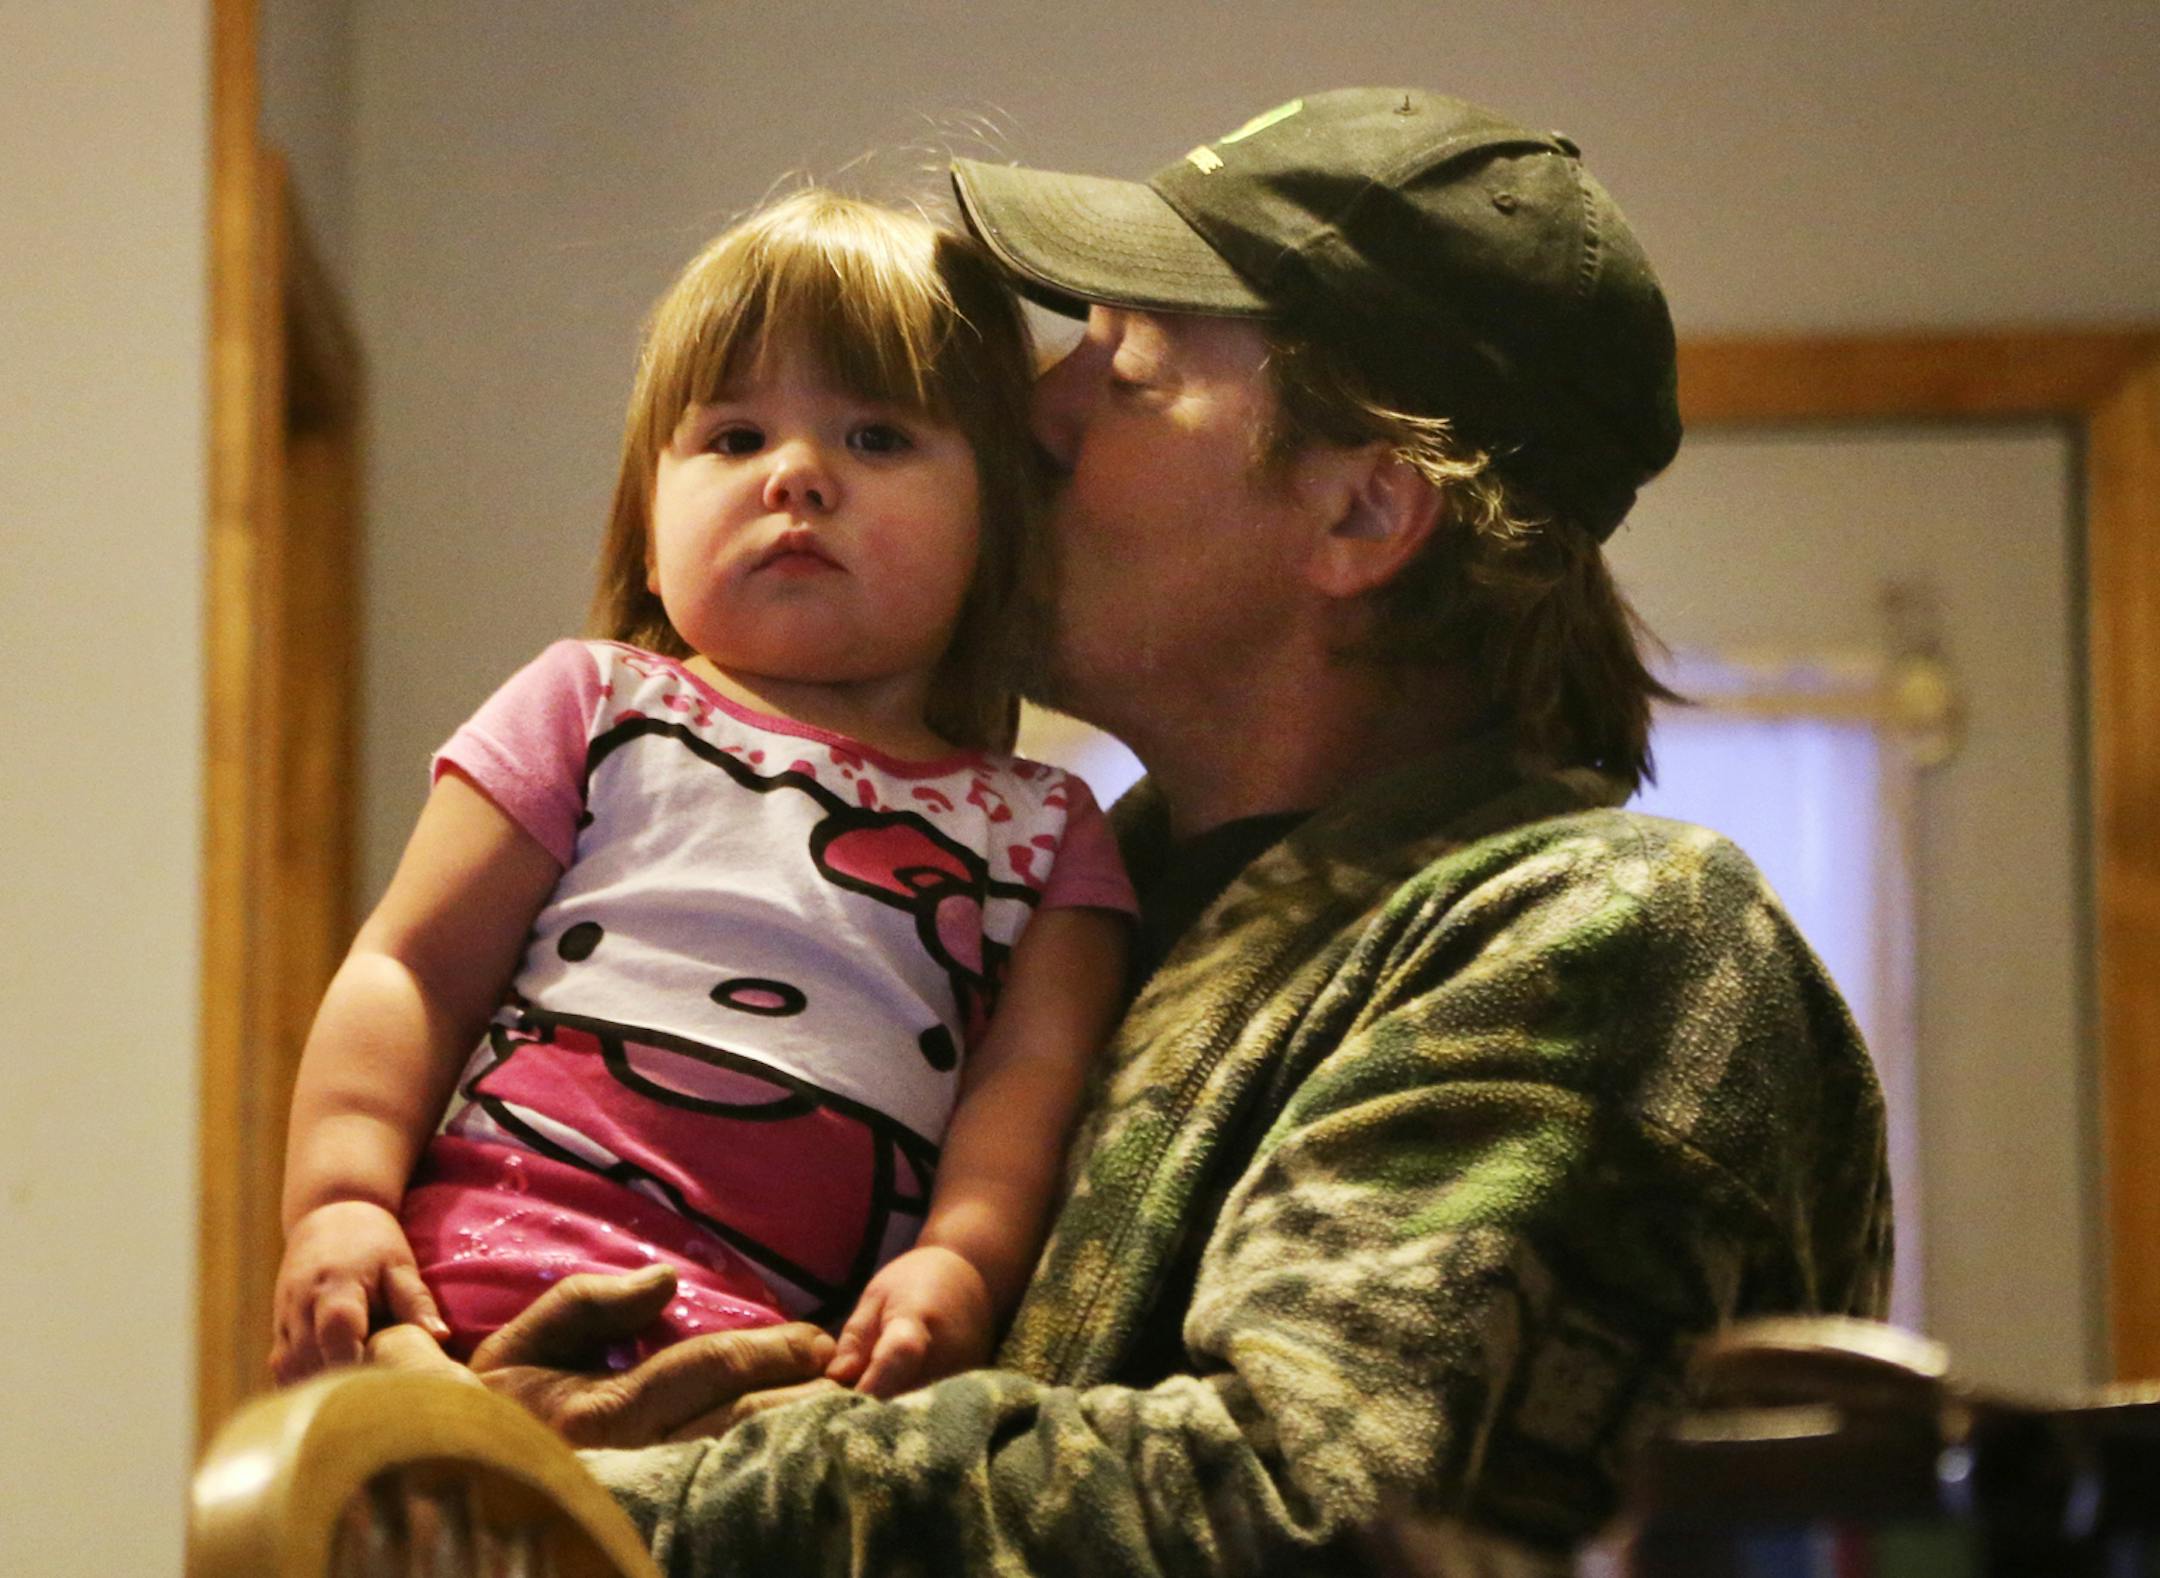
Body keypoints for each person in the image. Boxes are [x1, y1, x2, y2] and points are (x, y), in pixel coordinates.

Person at [376, 88, 1895, 1572]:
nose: (1036, 406)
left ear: (1364, 513)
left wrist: (567, 1491)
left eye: (1130, 363)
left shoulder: (1608, 936)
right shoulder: (1064, 913)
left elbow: (1314, 1508)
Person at [270, 190, 1135, 1402]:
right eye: (733, 438)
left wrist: (962, 1261)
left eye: (878, 438)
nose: (797, 477)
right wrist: (341, 1201)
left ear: (1001, 523)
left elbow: (1025, 1087)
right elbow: (411, 967)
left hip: (771, 1375)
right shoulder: (593, 704)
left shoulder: (1044, 833)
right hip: (462, 1292)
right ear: (645, 520)